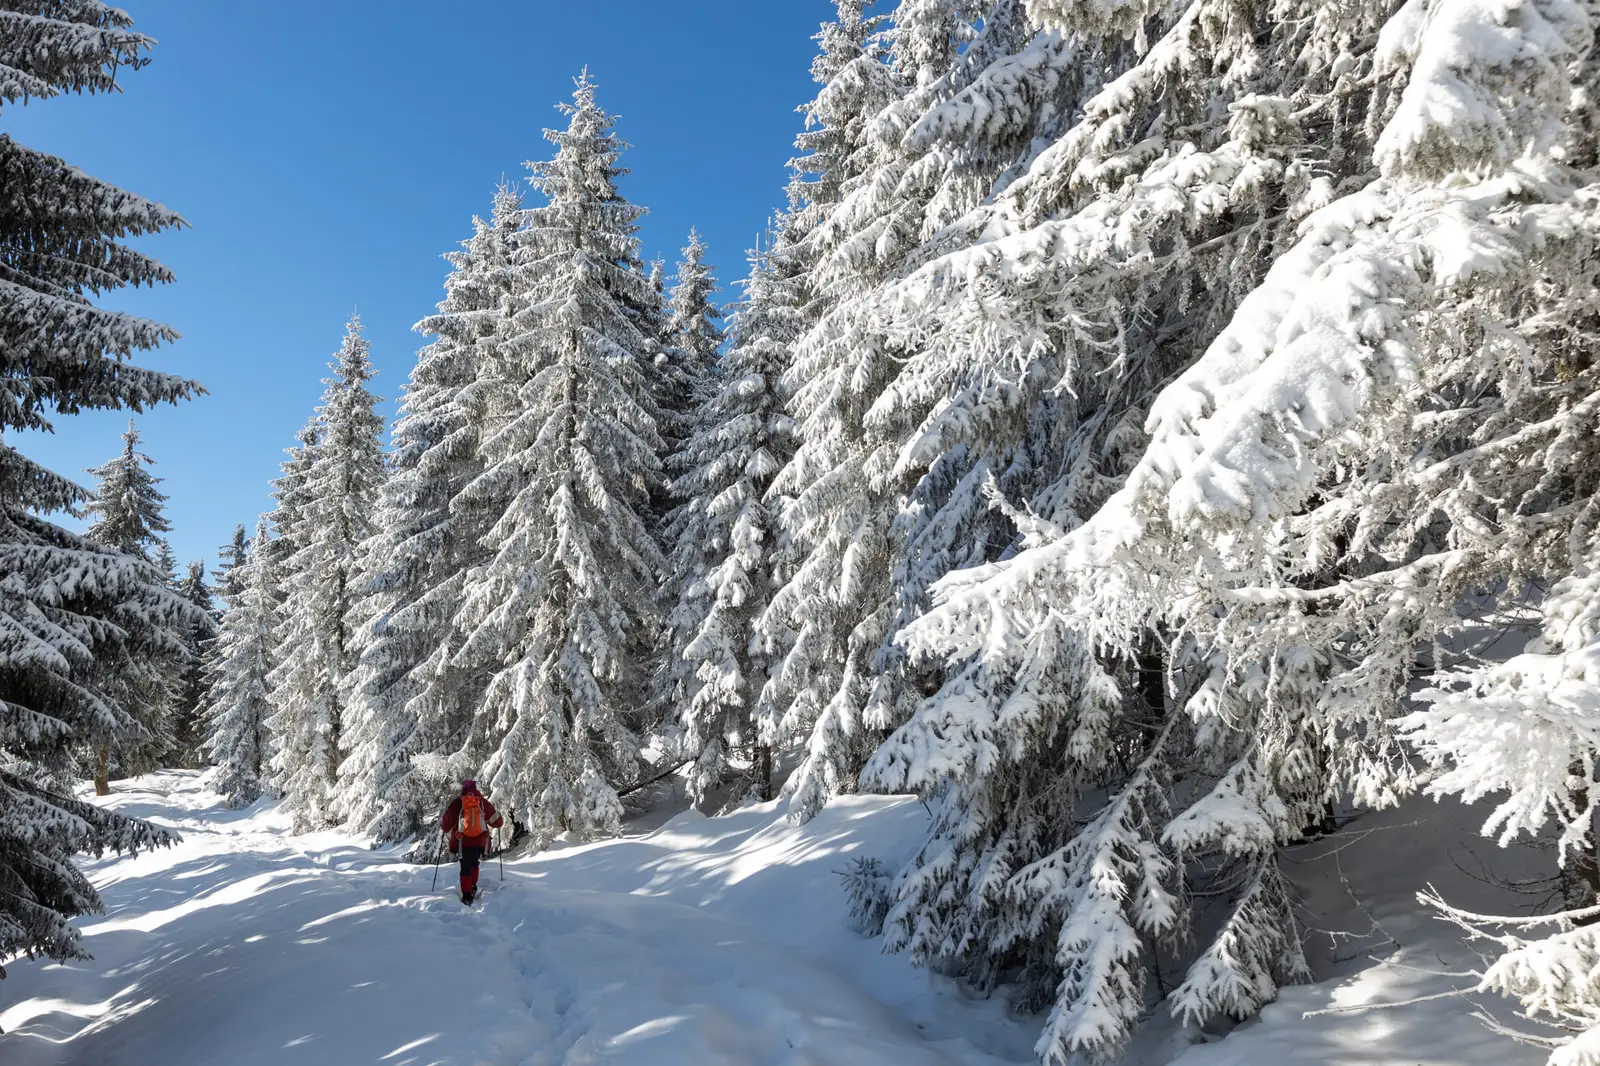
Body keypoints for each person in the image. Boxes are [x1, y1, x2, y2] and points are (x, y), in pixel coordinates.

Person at [440, 779, 504, 905]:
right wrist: (498, 820)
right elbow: (497, 822)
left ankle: (467, 895)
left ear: (463, 789)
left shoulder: (459, 802)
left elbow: (447, 823)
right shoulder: (482, 802)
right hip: (480, 841)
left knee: (465, 866)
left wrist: (444, 827)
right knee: (474, 862)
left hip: (462, 841)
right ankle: (473, 885)